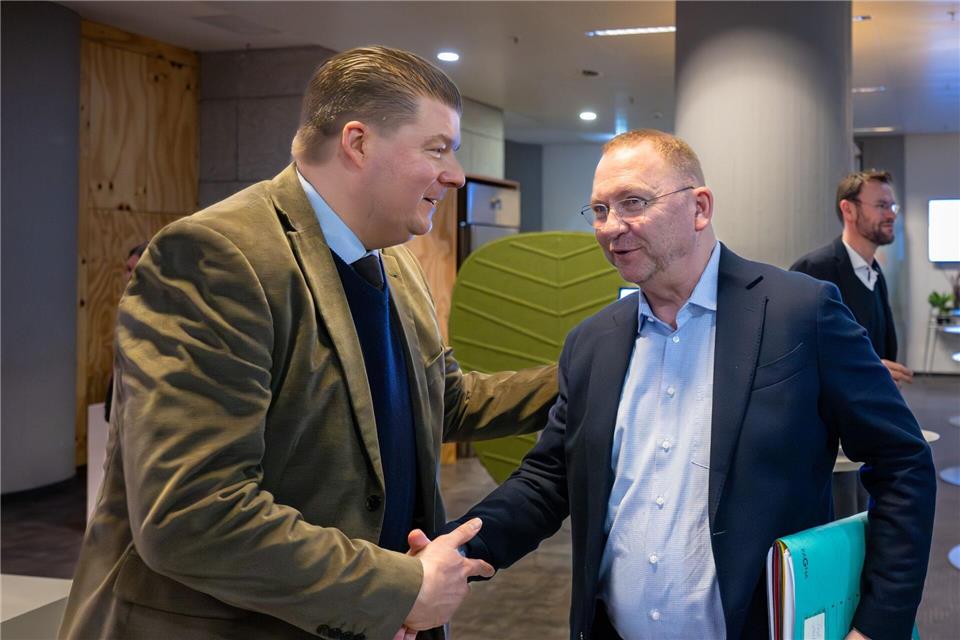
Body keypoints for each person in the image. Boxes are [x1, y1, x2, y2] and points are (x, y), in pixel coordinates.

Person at [60, 46, 557, 640]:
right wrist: (398, 588)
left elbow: (441, 402)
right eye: (437, 148)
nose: (455, 174)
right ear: (358, 142)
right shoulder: (217, 257)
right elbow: (192, 513)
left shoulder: (394, 263)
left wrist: (592, 368)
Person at [444, 130, 935, 640]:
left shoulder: (800, 313)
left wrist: (879, 624)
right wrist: (456, 549)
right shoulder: (591, 343)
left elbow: (902, 461)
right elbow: (549, 479)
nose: (612, 227)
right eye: (600, 210)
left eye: (633, 202)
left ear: (699, 208)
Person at [791, 170, 912, 386]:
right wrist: (866, 370)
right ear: (848, 210)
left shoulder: (875, 274)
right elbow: (795, 351)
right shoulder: (814, 270)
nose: (891, 215)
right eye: (881, 206)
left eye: (892, 207)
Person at [104, 241, 148, 422]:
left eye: (136, 271)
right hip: (122, 407)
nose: (130, 277)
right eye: (128, 270)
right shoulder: (126, 309)